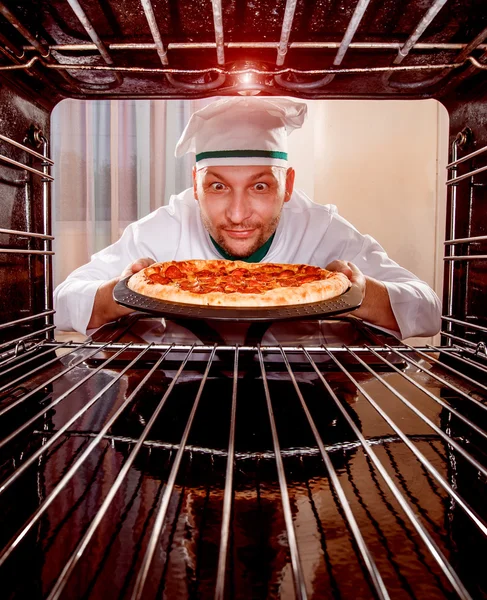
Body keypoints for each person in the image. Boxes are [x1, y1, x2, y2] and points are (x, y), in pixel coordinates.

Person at [54, 96, 441, 339]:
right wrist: (122, 296)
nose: (238, 215)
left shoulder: (322, 228)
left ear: (287, 185)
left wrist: (358, 292)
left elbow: (428, 310)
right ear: (194, 184)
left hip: (301, 398)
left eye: (260, 187)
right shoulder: (163, 226)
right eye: (218, 187)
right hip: (180, 394)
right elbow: (63, 302)